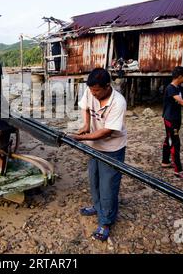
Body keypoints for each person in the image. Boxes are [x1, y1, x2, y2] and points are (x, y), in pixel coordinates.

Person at [69, 68, 127, 242]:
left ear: (107, 86)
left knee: (108, 186)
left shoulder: (118, 102)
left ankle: (106, 221)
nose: (93, 94)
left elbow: (106, 132)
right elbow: (85, 107)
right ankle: (97, 206)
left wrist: (81, 137)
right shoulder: (90, 90)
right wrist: (86, 125)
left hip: (112, 148)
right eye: (92, 90)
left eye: (97, 91)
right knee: (94, 180)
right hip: (94, 146)